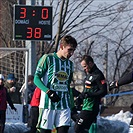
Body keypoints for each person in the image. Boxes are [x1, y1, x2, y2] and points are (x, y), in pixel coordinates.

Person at [34, 35, 77, 133]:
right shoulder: (47, 58)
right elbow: (36, 78)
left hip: (64, 105)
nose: (71, 53)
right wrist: (48, 92)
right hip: (48, 104)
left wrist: (72, 106)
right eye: (69, 50)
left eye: (73, 50)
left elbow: (68, 87)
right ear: (61, 46)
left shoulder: (70, 64)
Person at [74, 55, 107, 133]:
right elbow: (86, 90)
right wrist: (80, 98)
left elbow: (104, 91)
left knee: (78, 128)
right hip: (86, 106)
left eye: (85, 66)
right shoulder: (89, 74)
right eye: (83, 67)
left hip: (91, 108)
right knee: (81, 129)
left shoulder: (98, 75)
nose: (84, 69)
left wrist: (90, 94)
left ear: (91, 63)